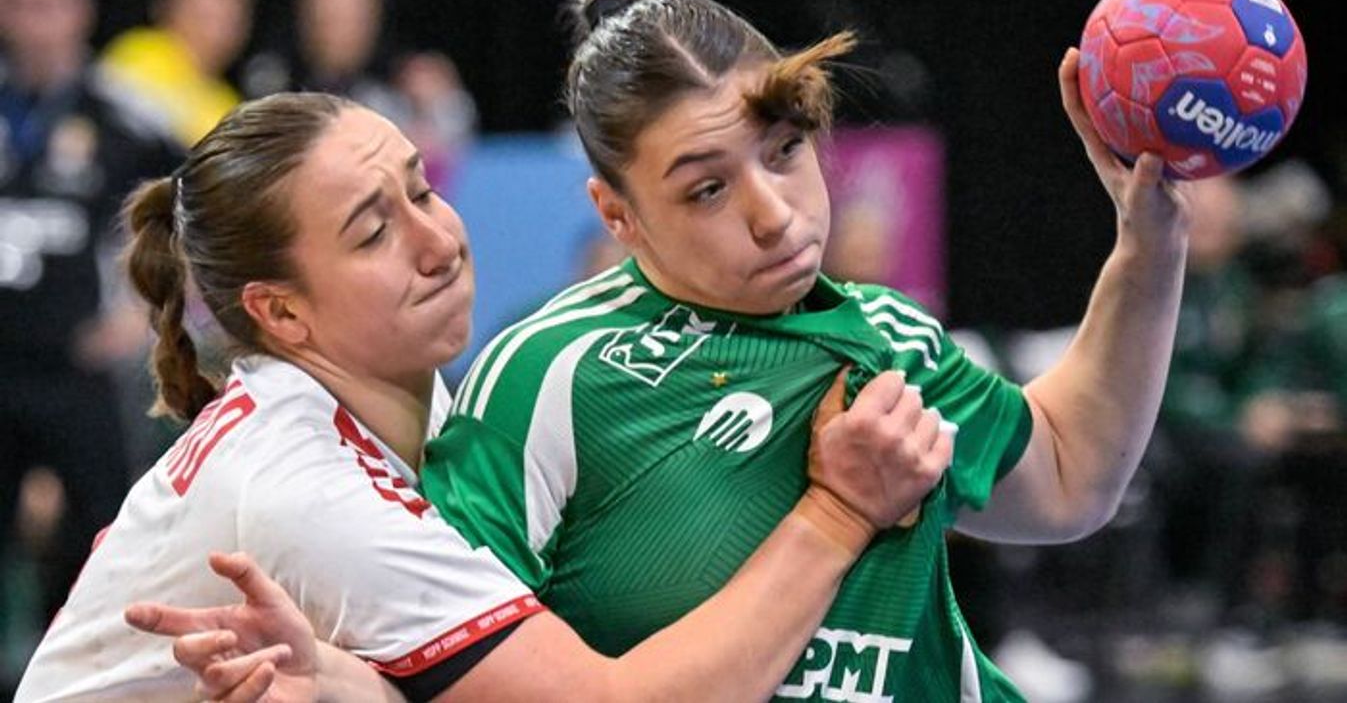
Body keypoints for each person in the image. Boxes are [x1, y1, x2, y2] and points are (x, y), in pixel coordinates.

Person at [148, 0, 1194, 702]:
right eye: (706, 188)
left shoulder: (889, 336)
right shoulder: (547, 376)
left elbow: (1069, 478)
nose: (775, 214)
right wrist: (338, 682)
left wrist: (1148, 242)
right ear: (619, 215)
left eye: (784, 150)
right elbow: (458, 673)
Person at [15, 90, 949, 701]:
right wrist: (837, 513)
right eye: (373, 233)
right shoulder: (308, 491)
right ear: (282, 313)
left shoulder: (414, 407)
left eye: (422, 191)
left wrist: (348, 686)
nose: (439, 242)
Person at [0, 0, 179, 636]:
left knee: (97, 552)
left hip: (77, 373)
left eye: (55, 4)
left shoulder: (124, 117)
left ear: (83, 9)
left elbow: (193, 207)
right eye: (24, 4)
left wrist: (145, 311)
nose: (40, 23)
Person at [241, 0, 475, 192]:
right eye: (327, 8)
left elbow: (453, 149)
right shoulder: (270, 79)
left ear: (375, 11)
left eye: (351, 8)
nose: (338, 18)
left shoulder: (404, 81)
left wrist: (441, 104)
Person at [99, 0, 255, 147]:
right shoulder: (138, 53)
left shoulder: (229, 105)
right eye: (205, 13)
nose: (220, 17)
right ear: (165, 4)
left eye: (232, 11)